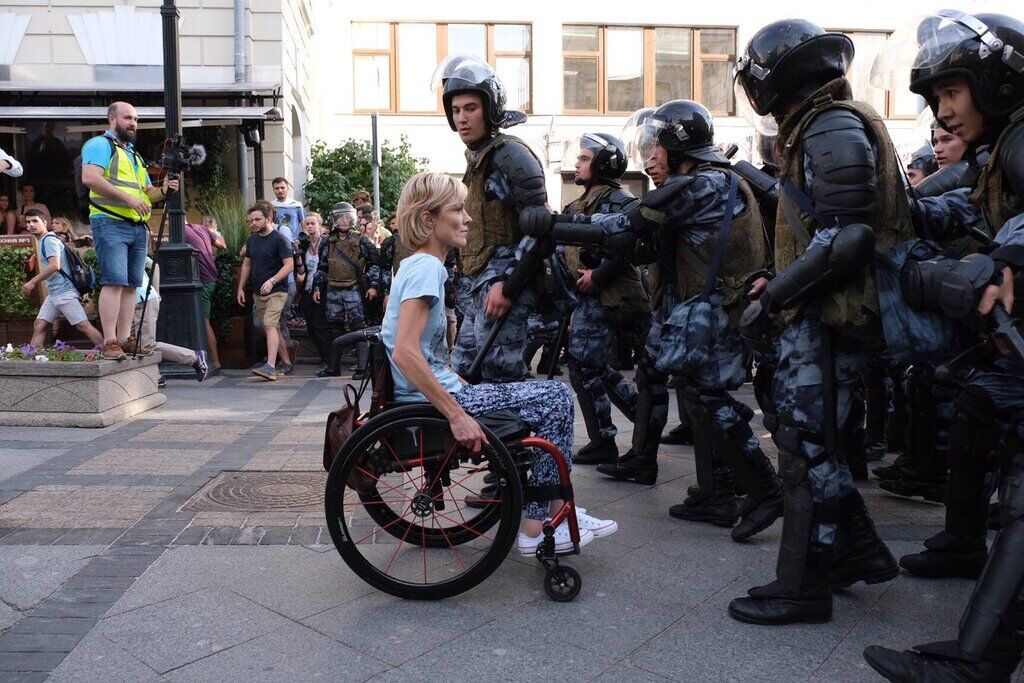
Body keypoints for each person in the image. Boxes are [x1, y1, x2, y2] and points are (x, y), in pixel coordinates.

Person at [862, 11, 1024, 680]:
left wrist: (1002, 256)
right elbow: (957, 206)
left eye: (951, 92)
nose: (943, 110)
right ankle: (963, 546)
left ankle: (976, 665)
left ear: (994, 81)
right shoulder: (1000, 150)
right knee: (982, 411)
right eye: (934, 99)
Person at [727, 19, 905, 625]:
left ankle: (805, 586)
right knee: (812, 445)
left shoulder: (829, 125)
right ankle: (859, 553)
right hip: (820, 315)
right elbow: (823, 230)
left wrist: (776, 292)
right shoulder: (818, 125)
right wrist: (773, 280)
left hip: (829, 321)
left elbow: (848, 235)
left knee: (806, 451)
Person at [384, 171, 617, 554]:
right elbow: (405, 352)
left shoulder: (415, 264)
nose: (469, 218)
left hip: (438, 394)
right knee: (556, 397)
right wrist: (457, 415)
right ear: (429, 220)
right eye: (458, 209)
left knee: (545, 398)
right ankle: (536, 524)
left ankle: (556, 507)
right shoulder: (426, 268)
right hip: (434, 403)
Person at [438, 58, 548, 383]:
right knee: (464, 375)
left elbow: (540, 231)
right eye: (456, 110)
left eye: (470, 108)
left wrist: (509, 287)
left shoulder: (511, 155)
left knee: (500, 379)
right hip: (479, 289)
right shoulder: (477, 158)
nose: (461, 118)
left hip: (503, 285)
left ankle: (518, 436)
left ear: (489, 108)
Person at [559, 133, 649, 467]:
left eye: (584, 158)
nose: (577, 164)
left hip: (609, 296)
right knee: (586, 367)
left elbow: (631, 245)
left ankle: (613, 437)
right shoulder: (580, 202)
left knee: (586, 366)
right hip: (584, 299)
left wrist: (596, 276)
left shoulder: (621, 201)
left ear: (601, 162)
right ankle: (621, 428)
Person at [80, 101, 178, 361]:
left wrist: (165, 189)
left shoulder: (134, 154)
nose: (133, 123)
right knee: (114, 282)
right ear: (112, 119)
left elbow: (148, 193)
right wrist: (128, 200)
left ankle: (124, 339)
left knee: (132, 285)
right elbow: (90, 178)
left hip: (136, 226)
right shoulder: (100, 145)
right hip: (110, 222)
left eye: (135, 119)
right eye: (127, 118)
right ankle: (110, 340)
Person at [313, 202, 381, 379]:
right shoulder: (327, 242)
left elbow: (374, 263)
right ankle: (332, 367)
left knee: (358, 326)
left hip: (354, 288)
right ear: (334, 219)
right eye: (340, 218)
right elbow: (322, 267)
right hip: (333, 288)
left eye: (347, 217)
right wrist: (317, 287)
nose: (344, 221)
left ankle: (362, 369)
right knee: (334, 328)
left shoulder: (362, 240)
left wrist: (373, 285)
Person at [20, 209, 103, 349]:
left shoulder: (48, 241)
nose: (31, 225)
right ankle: (32, 357)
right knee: (39, 325)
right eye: (28, 222)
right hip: (55, 293)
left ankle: (108, 350)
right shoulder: (45, 240)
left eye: (35, 221)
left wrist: (32, 281)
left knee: (83, 326)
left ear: (44, 223)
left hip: (64, 291)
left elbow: (54, 266)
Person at [237, 203, 294, 381]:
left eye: (257, 219)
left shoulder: (279, 239)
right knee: (271, 327)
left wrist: (273, 280)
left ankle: (270, 366)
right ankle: (286, 362)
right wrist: (240, 287)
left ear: (268, 218)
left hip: (278, 290)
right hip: (258, 291)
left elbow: (289, 265)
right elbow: (247, 263)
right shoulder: (252, 240)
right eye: (250, 220)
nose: (253, 223)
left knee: (269, 324)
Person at [134, 259, 209, 383]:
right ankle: (155, 375)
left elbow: (154, 266)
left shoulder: (124, 247)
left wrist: (157, 293)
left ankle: (194, 357)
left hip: (143, 300)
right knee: (131, 345)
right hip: (135, 302)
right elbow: (155, 266)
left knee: (145, 345)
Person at [184, 219, 226, 374]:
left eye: (167, 218)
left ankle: (215, 362)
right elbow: (222, 245)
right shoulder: (201, 228)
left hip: (202, 281)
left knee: (204, 322)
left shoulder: (181, 232)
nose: (167, 222)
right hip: (212, 278)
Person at [295, 212, 330, 372]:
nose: (309, 226)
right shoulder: (304, 245)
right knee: (311, 325)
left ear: (320, 226)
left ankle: (327, 358)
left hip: (323, 289)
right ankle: (325, 357)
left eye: (312, 223)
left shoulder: (327, 243)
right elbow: (301, 271)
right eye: (307, 224)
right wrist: (297, 255)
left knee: (320, 324)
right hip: (308, 289)